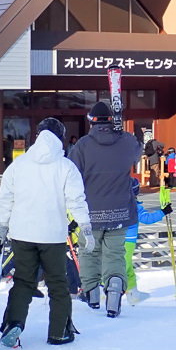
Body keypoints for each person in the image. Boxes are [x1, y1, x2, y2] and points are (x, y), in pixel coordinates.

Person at [0, 117, 92, 346]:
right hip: (53, 236)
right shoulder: (66, 166)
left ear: (37, 136)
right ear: (60, 138)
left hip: (22, 234)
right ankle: (59, 332)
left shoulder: (19, 164)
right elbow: (76, 200)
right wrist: (86, 228)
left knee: (23, 282)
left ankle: (14, 324)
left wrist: (0, 226)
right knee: (58, 284)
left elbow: (6, 198)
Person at [68, 101, 143, 318]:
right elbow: (138, 151)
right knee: (115, 254)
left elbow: (72, 174)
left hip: (90, 213)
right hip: (121, 211)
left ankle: (92, 292)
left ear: (90, 121)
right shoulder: (125, 141)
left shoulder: (82, 145)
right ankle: (115, 291)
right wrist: (124, 131)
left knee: (89, 252)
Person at [124, 177, 173, 304]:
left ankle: (133, 293)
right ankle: (106, 291)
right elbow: (147, 219)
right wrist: (163, 212)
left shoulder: (118, 203)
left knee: (127, 267)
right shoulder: (135, 206)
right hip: (128, 239)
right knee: (124, 265)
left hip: (115, 237)